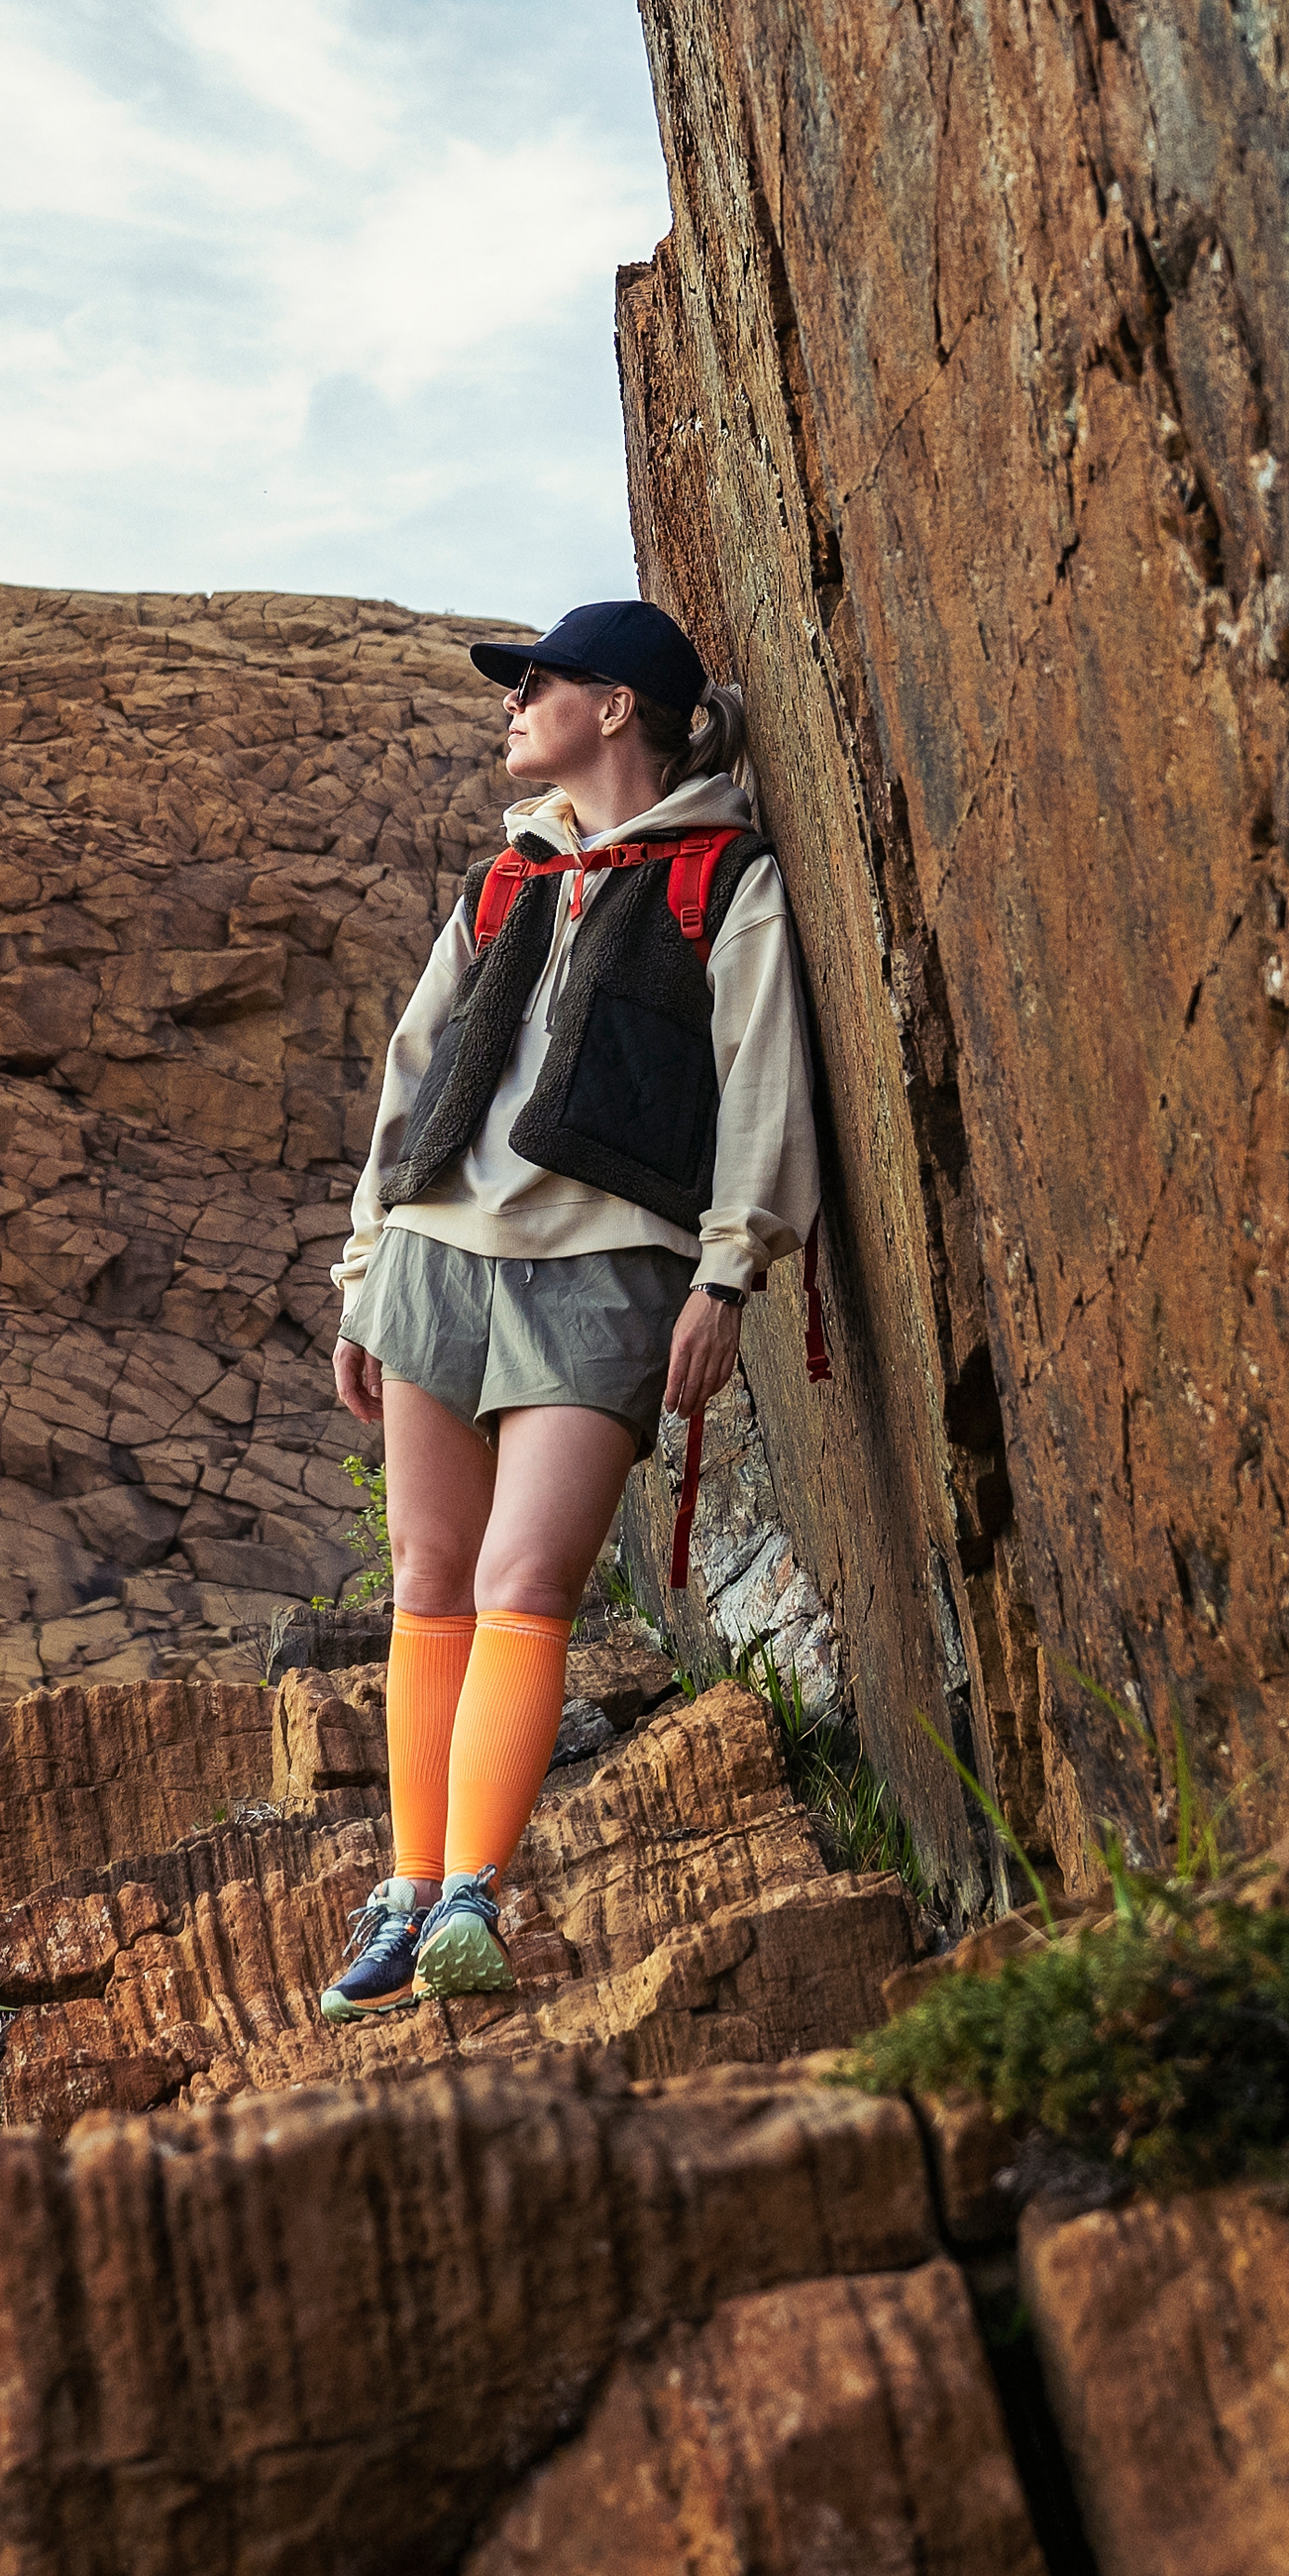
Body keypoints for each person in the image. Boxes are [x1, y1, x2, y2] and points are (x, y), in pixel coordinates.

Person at [319, 596, 817, 2013]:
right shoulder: (501, 884)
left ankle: (474, 1892)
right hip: (433, 1258)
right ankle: (408, 1896)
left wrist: (730, 1270)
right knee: (427, 1583)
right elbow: (410, 1087)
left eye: (538, 683)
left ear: (616, 707)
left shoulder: (726, 879)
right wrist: (363, 1276)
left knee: (521, 1585)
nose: (513, 702)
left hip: (608, 1269)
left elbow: (768, 1083)